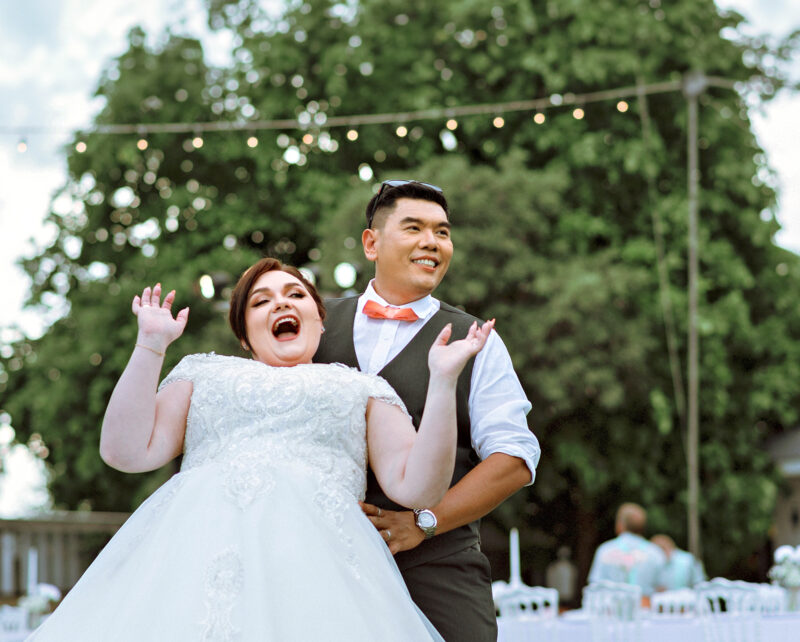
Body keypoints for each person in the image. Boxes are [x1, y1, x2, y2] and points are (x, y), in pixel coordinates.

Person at [28, 257, 494, 641]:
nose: (281, 304)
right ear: (244, 334)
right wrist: (150, 345)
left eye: (295, 295)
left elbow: (418, 488)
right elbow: (125, 452)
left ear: (319, 320)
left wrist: (442, 382)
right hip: (192, 564)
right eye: (261, 300)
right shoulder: (203, 372)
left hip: (319, 576)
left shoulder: (361, 387)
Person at [314, 180, 540, 641]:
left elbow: (514, 458)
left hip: (437, 565)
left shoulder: (477, 339)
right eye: (414, 228)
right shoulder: (313, 323)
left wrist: (424, 523)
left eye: (442, 232)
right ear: (371, 243)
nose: (432, 242)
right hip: (320, 560)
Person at [588, 502, 666, 597]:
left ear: (620, 525)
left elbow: (595, 585)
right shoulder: (655, 553)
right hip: (644, 605)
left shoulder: (605, 550)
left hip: (611, 605)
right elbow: (662, 588)